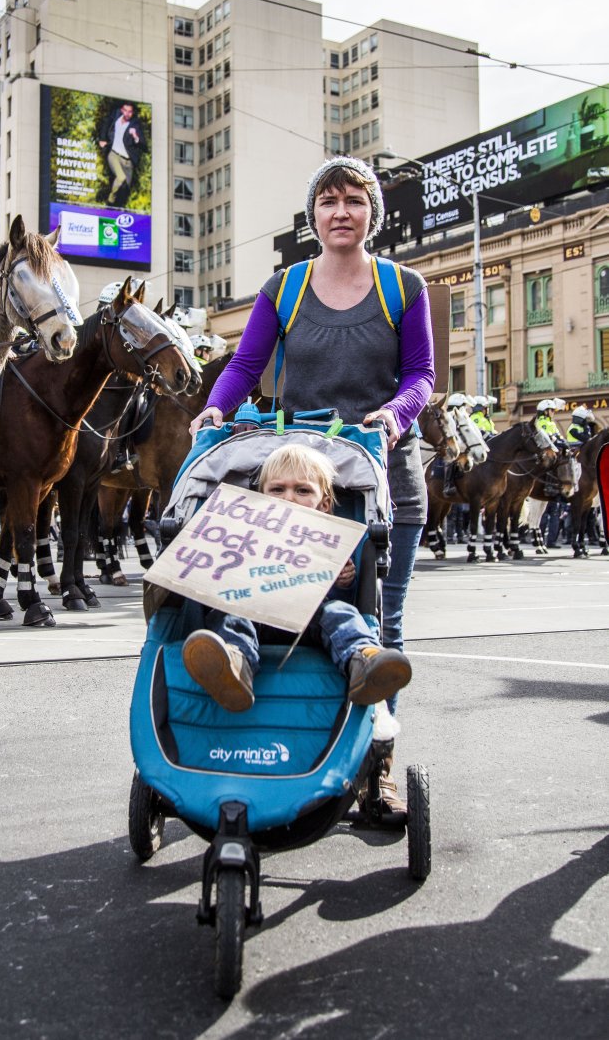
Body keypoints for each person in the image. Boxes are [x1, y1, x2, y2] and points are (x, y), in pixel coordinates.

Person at [188, 155, 434, 812]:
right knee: (275, 602)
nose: (341, 212)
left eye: (354, 200)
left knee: (383, 619)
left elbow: (421, 375)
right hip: (298, 479)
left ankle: (376, 765)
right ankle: (274, 741)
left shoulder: (403, 286)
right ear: (314, 215)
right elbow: (246, 363)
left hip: (384, 476)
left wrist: (394, 414)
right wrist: (217, 406)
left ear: (371, 212)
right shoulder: (285, 288)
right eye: (328, 201)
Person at [182, 444, 412, 711]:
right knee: (230, 616)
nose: (288, 498)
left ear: (324, 504)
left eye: (302, 490)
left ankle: (363, 659)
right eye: (277, 489)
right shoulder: (244, 534)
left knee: (340, 613)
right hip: (255, 613)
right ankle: (233, 665)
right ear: (262, 496)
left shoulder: (331, 542)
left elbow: (350, 603)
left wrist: (342, 582)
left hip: (311, 620)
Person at [97, 101, 144, 207]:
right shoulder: (116, 115)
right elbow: (106, 123)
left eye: (130, 112)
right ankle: (110, 199)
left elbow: (142, 144)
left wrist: (135, 136)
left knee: (125, 189)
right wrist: (102, 139)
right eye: (125, 111)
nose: (127, 114)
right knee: (121, 177)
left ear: (133, 113)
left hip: (127, 161)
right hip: (114, 155)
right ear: (122, 110)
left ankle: (117, 209)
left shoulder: (135, 124)